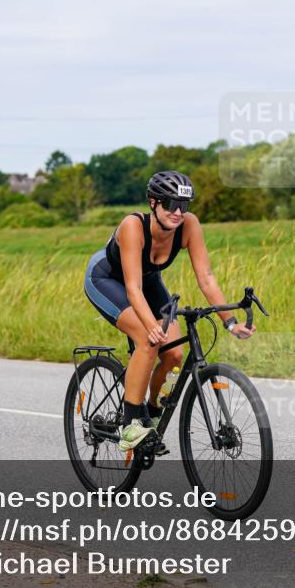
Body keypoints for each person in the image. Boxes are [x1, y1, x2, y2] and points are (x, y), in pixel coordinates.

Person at [83, 170, 256, 453]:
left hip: (149, 282)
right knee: (147, 339)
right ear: (153, 203)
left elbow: (206, 277)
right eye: (170, 204)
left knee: (174, 354)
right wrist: (150, 326)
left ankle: (150, 414)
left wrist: (230, 323)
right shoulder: (133, 226)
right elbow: (133, 289)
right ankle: (130, 424)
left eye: (183, 205)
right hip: (107, 280)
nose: (177, 212)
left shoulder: (189, 225)